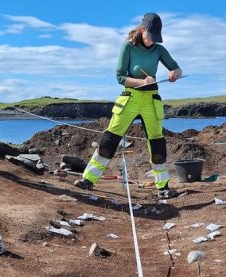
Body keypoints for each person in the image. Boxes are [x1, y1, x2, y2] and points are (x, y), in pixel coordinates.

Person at [74, 12, 182, 198]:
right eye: (150, 37)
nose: (152, 41)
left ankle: (163, 188)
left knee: (157, 143)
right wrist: (141, 82)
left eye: (156, 38)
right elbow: (120, 77)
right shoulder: (128, 47)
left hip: (151, 100)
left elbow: (177, 68)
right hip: (130, 98)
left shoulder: (158, 49)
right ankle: (88, 180)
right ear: (142, 30)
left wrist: (175, 74)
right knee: (109, 140)